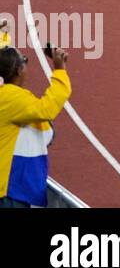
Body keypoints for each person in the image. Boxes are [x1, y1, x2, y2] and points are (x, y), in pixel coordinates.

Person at [0, 45, 71, 207]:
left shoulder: (10, 99)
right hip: (11, 192)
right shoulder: (12, 98)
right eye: (25, 61)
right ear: (19, 70)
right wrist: (60, 71)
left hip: (16, 190)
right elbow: (46, 109)